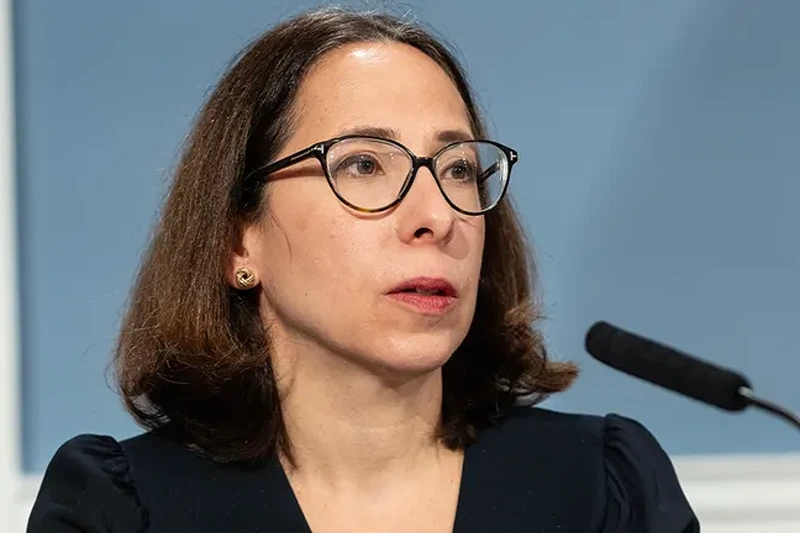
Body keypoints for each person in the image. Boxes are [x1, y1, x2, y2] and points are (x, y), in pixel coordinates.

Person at [27, 6, 698, 533]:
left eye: (459, 168)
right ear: (239, 242)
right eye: (364, 164)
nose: (434, 216)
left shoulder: (603, 489)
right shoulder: (121, 510)